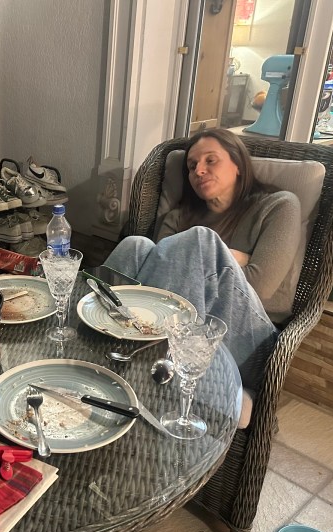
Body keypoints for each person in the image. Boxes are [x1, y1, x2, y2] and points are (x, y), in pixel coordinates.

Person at [104, 128, 302, 394]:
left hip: (251, 344)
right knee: (135, 245)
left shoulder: (278, 206)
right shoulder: (178, 218)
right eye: (191, 165)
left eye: (211, 160)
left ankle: (155, 377)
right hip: (185, 331)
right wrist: (232, 258)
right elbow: (161, 277)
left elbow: (262, 287)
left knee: (200, 241)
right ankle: (93, 345)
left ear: (238, 164)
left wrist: (210, 254)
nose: (199, 170)